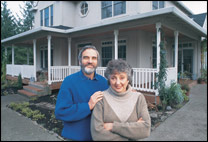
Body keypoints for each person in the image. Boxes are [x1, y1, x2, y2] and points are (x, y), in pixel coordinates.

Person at [55, 45, 109, 141]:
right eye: (86, 58)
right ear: (80, 61)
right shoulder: (69, 81)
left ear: (97, 62)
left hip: (99, 137)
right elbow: (60, 112)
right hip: (76, 138)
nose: (90, 61)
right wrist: (88, 106)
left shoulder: (104, 82)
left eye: (94, 58)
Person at [91, 59, 151, 141]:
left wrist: (112, 126)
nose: (118, 83)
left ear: (128, 79)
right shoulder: (101, 98)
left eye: (122, 78)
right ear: (109, 79)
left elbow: (145, 130)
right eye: (113, 78)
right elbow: (97, 134)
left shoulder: (139, 98)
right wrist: (132, 134)